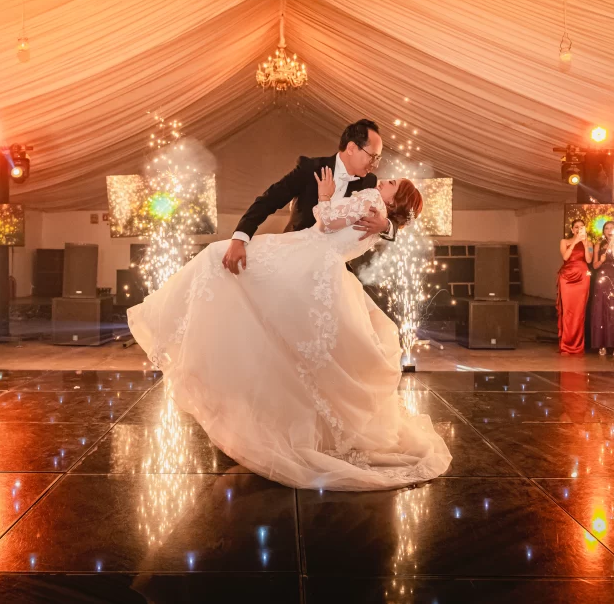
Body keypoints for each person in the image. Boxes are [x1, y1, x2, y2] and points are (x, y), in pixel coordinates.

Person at [127, 171, 452, 491]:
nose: (381, 178)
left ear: (395, 199)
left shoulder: (370, 200)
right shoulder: (377, 214)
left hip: (310, 260)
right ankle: (300, 423)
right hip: (323, 271)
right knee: (298, 351)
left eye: (391, 183)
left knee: (217, 258)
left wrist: (325, 194)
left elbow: (325, 220)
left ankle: (175, 327)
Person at [221, 119, 395, 275]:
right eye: (373, 157)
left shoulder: (370, 182)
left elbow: (400, 211)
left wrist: (385, 225)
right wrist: (239, 238)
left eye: (378, 159)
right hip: (293, 258)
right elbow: (269, 200)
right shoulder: (310, 168)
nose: (375, 165)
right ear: (351, 148)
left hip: (333, 269)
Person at [591, 221, 614, 356]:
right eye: (606, 228)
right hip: (602, 278)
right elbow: (595, 266)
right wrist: (601, 259)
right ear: (603, 231)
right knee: (602, 309)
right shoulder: (598, 244)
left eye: (612, 228)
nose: (609, 230)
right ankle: (602, 344)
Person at [557, 219, 593, 355]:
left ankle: (578, 345)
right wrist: (575, 241)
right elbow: (565, 257)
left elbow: (589, 260)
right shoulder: (564, 242)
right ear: (572, 230)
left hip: (582, 277)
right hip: (567, 277)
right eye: (576, 227)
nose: (579, 229)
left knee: (579, 311)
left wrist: (584, 243)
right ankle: (566, 344)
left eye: (581, 227)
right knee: (568, 311)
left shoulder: (589, 243)